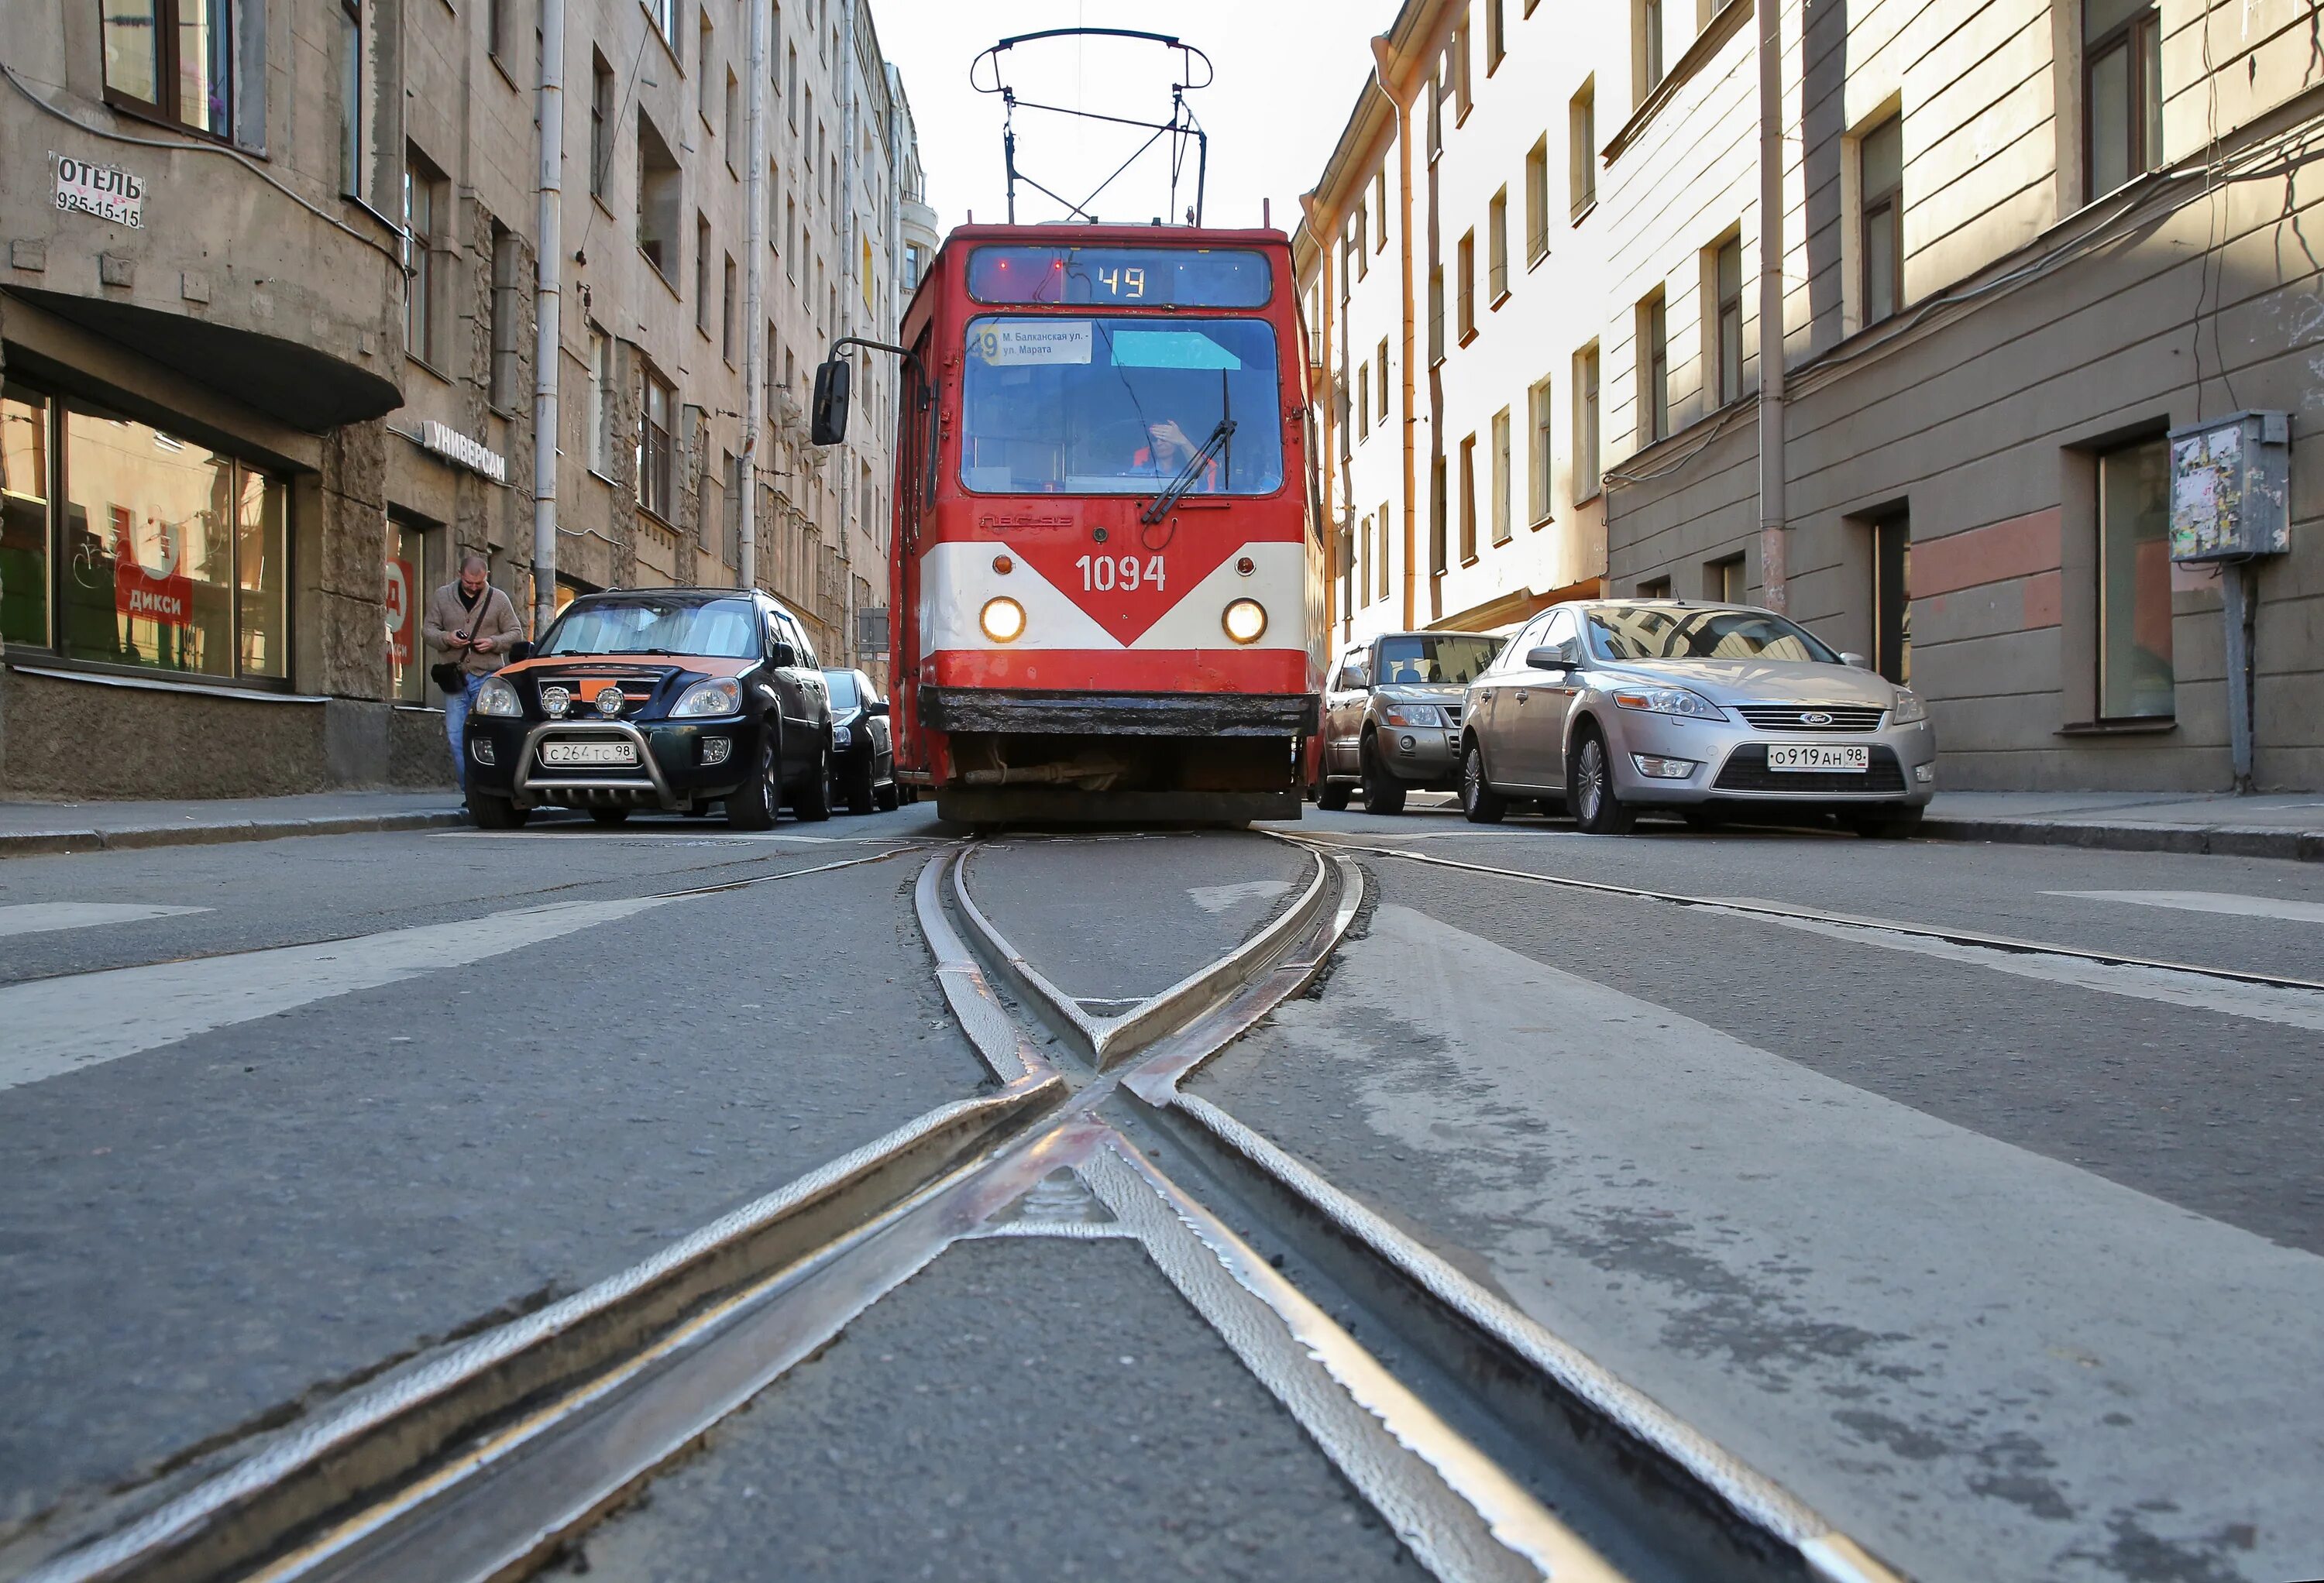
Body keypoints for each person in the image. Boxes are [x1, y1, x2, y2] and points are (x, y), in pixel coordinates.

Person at [423, 553, 523, 799]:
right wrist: (447, 638)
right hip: (455, 679)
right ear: (460, 575)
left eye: (479, 583)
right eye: (469, 583)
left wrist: (494, 642)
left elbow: (516, 632)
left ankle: (491, 793)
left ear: (486, 577)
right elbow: (428, 631)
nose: (474, 587)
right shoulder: (442, 596)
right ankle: (471, 795)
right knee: (457, 737)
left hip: (487, 679)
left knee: (489, 738)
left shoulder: (498, 599)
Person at [1133, 418, 1222, 491]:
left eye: (1164, 438)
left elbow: (1201, 474)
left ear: (1176, 441)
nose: (1159, 443)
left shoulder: (1188, 472)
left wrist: (1184, 442)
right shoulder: (1140, 472)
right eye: (1155, 439)